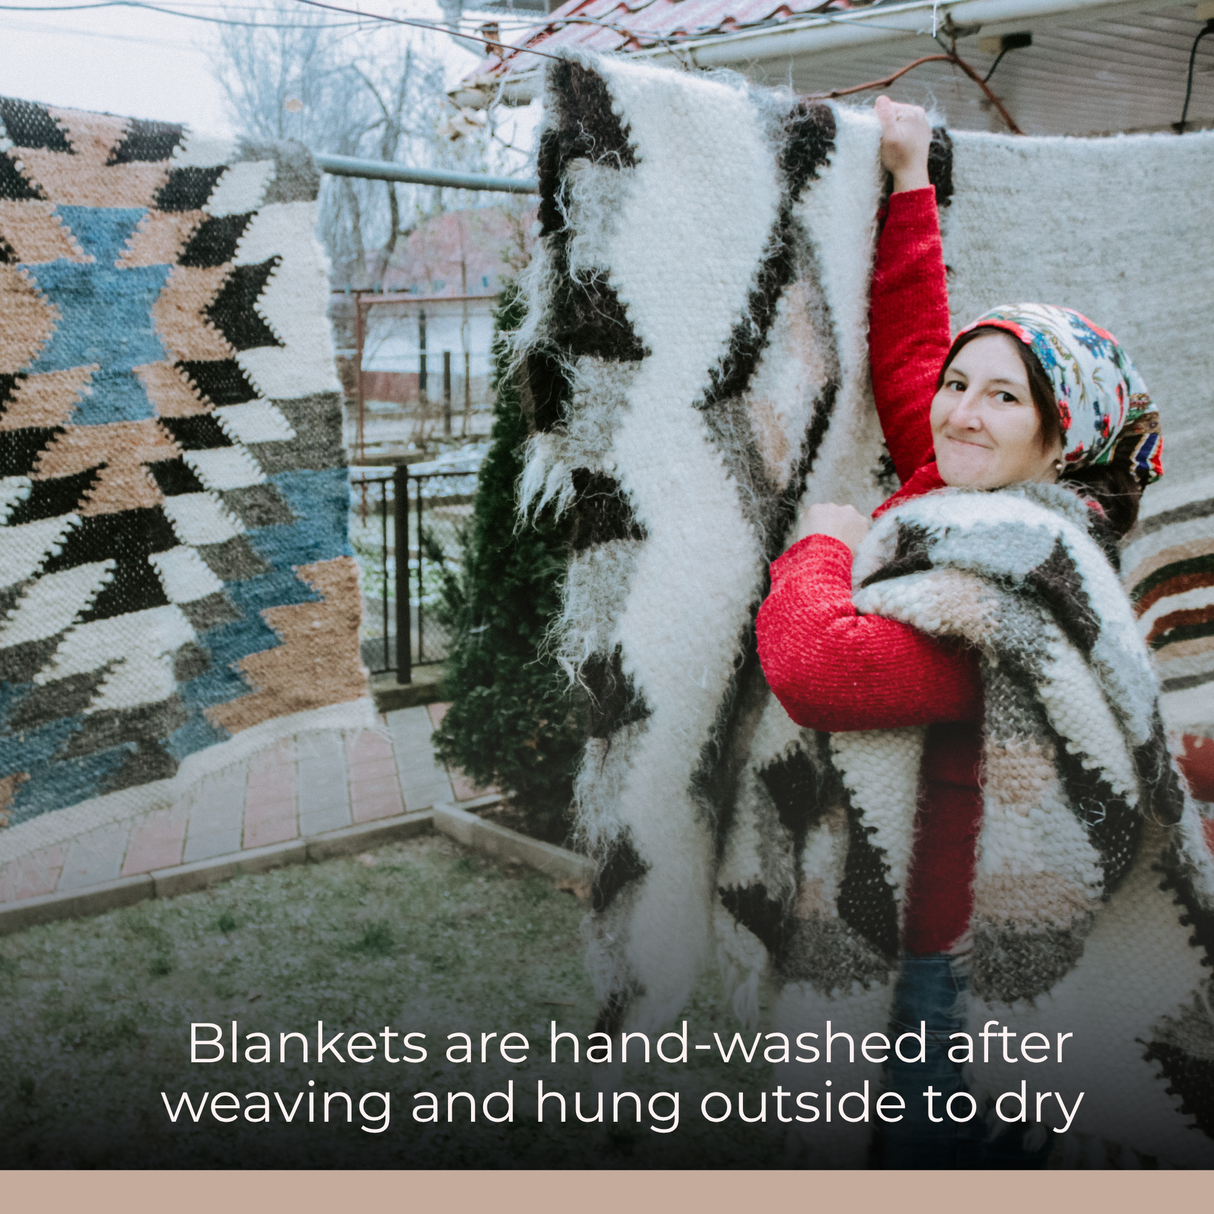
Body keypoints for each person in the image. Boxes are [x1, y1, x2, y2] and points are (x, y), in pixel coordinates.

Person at [755, 95, 1166, 1168]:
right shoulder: (950, 490)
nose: (956, 409)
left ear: (1058, 439)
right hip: (906, 927)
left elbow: (817, 667)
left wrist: (824, 545)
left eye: (1003, 398)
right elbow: (911, 339)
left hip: (951, 963)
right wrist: (906, 175)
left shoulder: (1024, 574)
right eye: (958, 389)